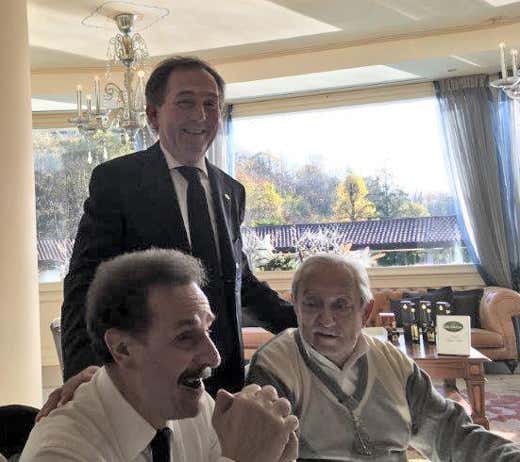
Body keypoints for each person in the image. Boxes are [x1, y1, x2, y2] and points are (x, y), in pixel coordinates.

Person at [61, 56, 295, 393]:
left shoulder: (232, 191)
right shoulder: (117, 182)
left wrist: (308, 323)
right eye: (186, 102)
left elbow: (241, 283)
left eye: (211, 104)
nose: (200, 115)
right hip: (153, 379)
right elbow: (84, 284)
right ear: (153, 115)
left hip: (224, 376)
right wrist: (84, 372)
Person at [22, 249, 298, 462]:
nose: (213, 357)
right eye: (185, 336)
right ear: (122, 349)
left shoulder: (192, 405)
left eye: (208, 330)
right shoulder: (61, 452)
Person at [246, 254, 520, 461]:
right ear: (295, 306)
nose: (326, 319)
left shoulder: (393, 363)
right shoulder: (275, 367)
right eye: (311, 304)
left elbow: (451, 433)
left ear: (365, 312)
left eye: (341, 305)